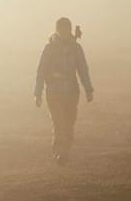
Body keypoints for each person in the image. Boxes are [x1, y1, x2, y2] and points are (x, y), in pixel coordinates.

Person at [34, 17, 94, 166]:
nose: (64, 32)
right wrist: (38, 93)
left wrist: (88, 89)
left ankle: (65, 149)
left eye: (66, 29)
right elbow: (41, 71)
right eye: (62, 30)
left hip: (72, 92)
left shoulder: (76, 48)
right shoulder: (49, 49)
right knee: (58, 122)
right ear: (57, 30)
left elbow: (83, 69)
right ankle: (60, 152)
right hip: (54, 92)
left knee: (69, 122)